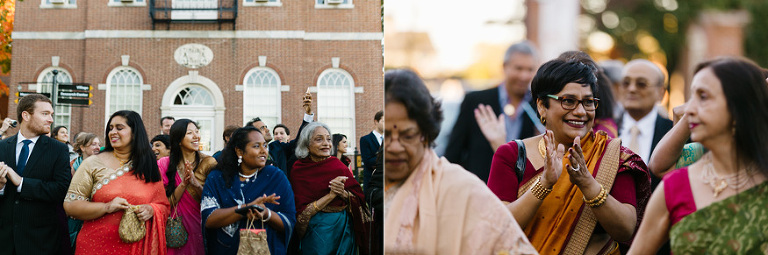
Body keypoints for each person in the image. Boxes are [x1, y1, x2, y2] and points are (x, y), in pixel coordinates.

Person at [486, 57, 651, 254]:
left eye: (588, 102)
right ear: (542, 106)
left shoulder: (611, 156)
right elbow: (499, 226)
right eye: (569, 101)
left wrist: (588, 184)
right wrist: (545, 184)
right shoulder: (512, 155)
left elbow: (626, 229)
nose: (581, 112)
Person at [628, 58, 768, 254]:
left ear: (740, 108)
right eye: (692, 97)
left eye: (703, 97)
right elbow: (659, 164)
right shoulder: (676, 185)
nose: (688, 110)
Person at [63, 110, 170, 255]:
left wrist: (151, 210)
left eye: (119, 128)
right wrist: (106, 207)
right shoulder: (93, 163)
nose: (113, 132)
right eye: (110, 128)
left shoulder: (148, 165)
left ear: (135, 132)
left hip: (136, 246)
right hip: (95, 245)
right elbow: (70, 205)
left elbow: (163, 205)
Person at [445, 41, 541, 183]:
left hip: (521, 194)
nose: (524, 76)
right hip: (479, 190)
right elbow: (453, 154)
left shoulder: (538, 106)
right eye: (519, 68)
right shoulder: (476, 101)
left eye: (530, 69)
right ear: (504, 67)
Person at [202, 126, 296, 255]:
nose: (264, 151)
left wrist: (266, 213)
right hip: (226, 249)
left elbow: (289, 220)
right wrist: (246, 209)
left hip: (267, 248)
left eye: (265, 145)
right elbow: (209, 218)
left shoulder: (275, 177)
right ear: (239, 152)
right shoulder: (218, 178)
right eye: (256, 146)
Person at [0, 94, 72, 255]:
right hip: (5, 242)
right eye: (45, 114)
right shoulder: (2, 147)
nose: (51, 119)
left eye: (51, 114)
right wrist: (1, 188)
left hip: (41, 243)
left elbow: (61, 190)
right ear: (26, 115)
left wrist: (21, 182)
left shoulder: (58, 150)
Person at [290, 122, 370, 254]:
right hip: (316, 233)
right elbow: (300, 209)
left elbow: (359, 197)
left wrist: (343, 193)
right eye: (319, 139)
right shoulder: (299, 169)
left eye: (328, 139)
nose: (326, 143)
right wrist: (331, 195)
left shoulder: (337, 165)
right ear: (306, 145)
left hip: (344, 231)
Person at [158, 119, 217, 255]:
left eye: (197, 131)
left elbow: (215, 202)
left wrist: (196, 185)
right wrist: (184, 184)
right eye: (190, 133)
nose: (196, 136)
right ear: (178, 140)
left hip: (200, 228)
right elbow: (165, 204)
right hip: (174, 229)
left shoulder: (209, 163)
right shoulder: (164, 164)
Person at [617, 60, 673, 183]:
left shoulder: (673, 133)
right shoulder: (604, 130)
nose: (631, 89)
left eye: (641, 84)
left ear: (661, 93)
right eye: (626, 83)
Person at [67, 132, 101, 250]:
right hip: (75, 217)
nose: (98, 147)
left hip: (95, 214)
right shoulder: (73, 166)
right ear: (82, 147)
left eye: (98, 144)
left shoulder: (102, 166)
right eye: (93, 144)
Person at [360, 111, 383, 190]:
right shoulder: (365, 140)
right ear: (376, 122)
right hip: (372, 183)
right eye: (384, 121)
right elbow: (367, 161)